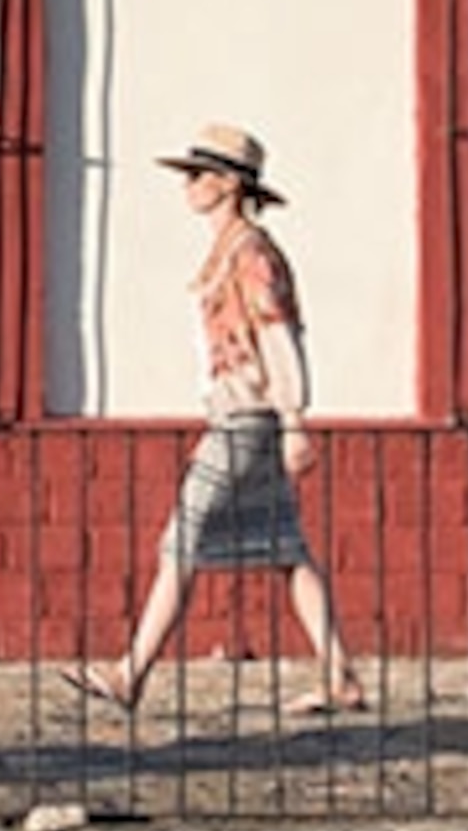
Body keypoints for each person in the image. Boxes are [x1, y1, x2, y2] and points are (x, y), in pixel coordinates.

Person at [65, 123, 364, 715]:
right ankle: (341, 677)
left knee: (182, 540)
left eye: (197, 175)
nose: (188, 186)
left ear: (228, 183)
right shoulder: (230, 251)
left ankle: (129, 674)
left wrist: (295, 419)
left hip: (246, 418)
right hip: (242, 413)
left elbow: (278, 337)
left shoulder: (251, 256)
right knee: (287, 550)